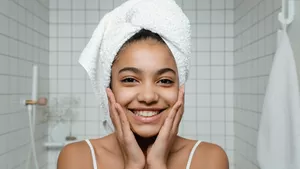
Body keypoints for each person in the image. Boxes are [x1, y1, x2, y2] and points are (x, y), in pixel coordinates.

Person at [57, 1, 229, 169]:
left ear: (180, 89)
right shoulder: (77, 157)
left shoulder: (209, 158)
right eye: (130, 80)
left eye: (164, 81)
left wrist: (158, 164)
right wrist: (133, 165)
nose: (148, 97)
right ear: (109, 89)